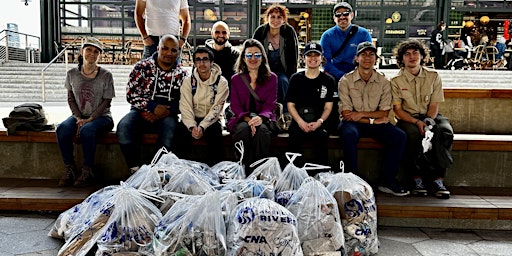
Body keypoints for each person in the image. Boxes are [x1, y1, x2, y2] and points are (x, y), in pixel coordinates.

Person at [338, 42, 408, 196]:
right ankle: (353, 179)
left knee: (399, 136)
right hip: (354, 123)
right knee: (348, 134)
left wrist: (363, 115)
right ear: (356, 58)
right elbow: (347, 114)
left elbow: (384, 112)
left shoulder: (384, 81)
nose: (367, 58)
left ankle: (388, 180)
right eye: (363, 54)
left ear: (377, 59)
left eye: (371, 54)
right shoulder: (346, 81)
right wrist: (371, 119)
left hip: (371, 121)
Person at [391, 39, 454, 199]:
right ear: (401, 58)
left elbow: (434, 104)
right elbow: (397, 110)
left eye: (415, 53)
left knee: (444, 131)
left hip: (431, 116)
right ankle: (416, 178)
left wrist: (428, 122)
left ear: (422, 55)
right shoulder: (396, 81)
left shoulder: (433, 76)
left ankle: (438, 178)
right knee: (412, 135)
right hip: (408, 118)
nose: (412, 57)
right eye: (407, 54)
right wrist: (417, 122)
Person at [116, 35, 187, 174]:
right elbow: (131, 93)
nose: (169, 53)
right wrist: (152, 108)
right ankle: (135, 169)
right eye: (165, 48)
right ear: (158, 48)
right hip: (140, 111)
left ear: (178, 53)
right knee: (124, 127)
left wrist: (167, 111)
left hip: (167, 114)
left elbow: (185, 101)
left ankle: (155, 171)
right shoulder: (142, 67)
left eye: (173, 50)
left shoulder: (182, 74)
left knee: (170, 130)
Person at [56, 37, 115, 187]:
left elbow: (107, 101)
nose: (92, 54)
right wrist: (77, 118)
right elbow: (71, 99)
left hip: (102, 117)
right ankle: (69, 168)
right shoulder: (72, 74)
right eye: (88, 49)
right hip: (78, 116)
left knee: (87, 130)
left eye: (96, 51)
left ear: (99, 55)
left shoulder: (106, 75)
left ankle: (87, 170)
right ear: (82, 51)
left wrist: (90, 119)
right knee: (62, 129)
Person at [320, 2, 372, 133]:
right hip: (334, 72)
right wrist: (341, 76)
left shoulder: (363, 34)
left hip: (356, 70)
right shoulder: (327, 36)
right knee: (325, 83)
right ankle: (329, 121)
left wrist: (352, 75)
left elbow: (367, 58)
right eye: (338, 14)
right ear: (334, 18)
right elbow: (326, 62)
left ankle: (364, 119)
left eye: (345, 14)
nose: (342, 17)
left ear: (352, 15)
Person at [227, 39, 278, 172]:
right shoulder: (236, 79)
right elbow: (235, 106)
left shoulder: (272, 78)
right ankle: (242, 169)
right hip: (243, 118)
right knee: (243, 130)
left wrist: (260, 118)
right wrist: (249, 120)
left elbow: (270, 104)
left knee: (261, 132)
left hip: (264, 118)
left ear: (263, 57)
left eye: (257, 55)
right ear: (243, 58)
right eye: (249, 55)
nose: (253, 58)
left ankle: (259, 171)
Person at [285, 42, 335, 172]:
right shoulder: (296, 78)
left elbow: (328, 107)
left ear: (322, 58)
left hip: (319, 122)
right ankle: (294, 175)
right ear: (303, 58)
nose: (313, 58)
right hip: (299, 121)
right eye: (309, 55)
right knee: (293, 140)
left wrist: (319, 122)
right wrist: (300, 122)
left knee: (321, 139)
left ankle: (320, 176)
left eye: (316, 55)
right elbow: (290, 104)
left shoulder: (328, 80)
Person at [176, 47, 229, 166]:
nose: (202, 63)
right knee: (179, 133)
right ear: (194, 63)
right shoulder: (188, 81)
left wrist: (202, 127)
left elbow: (217, 109)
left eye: (205, 59)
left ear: (211, 62)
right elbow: (185, 107)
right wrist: (192, 126)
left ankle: (213, 171)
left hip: (211, 120)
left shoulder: (221, 82)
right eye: (198, 60)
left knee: (215, 134)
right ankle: (181, 169)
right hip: (193, 118)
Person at [252, 3, 298, 114]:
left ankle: (286, 113)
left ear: (284, 20)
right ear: (267, 18)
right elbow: (252, 50)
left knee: (283, 82)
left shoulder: (289, 32)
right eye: (272, 16)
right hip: (263, 69)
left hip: (282, 69)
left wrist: (291, 76)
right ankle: (261, 112)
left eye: (279, 17)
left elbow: (293, 56)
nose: (275, 20)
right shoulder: (260, 32)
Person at [205, 21, 240, 90]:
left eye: (224, 32)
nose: (221, 35)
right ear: (212, 33)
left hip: (229, 95)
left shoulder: (235, 54)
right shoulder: (203, 53)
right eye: (217, 32)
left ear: (228, 34)